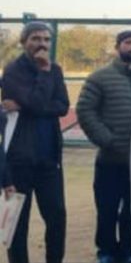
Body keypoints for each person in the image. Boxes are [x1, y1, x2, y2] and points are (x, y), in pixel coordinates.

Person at [76, 30, 131, 263]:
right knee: (107, 210)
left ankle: (130, 251)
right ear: (117, 47)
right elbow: (85, 110)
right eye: (129, 42)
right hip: (109, 161)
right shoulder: (99, 77)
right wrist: (106, 139)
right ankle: (106, 252)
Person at [1, 21, 69, 263]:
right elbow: (39, 104)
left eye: (46, 39)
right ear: (24, 42)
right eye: (36, 39)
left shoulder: (56, 70)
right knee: (17, 223)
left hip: (49, 159)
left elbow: (62, 107)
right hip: (19, 161)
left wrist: (29, 105)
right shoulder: (12, 71)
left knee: (57, 217)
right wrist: (42, 72)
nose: (42, 44)